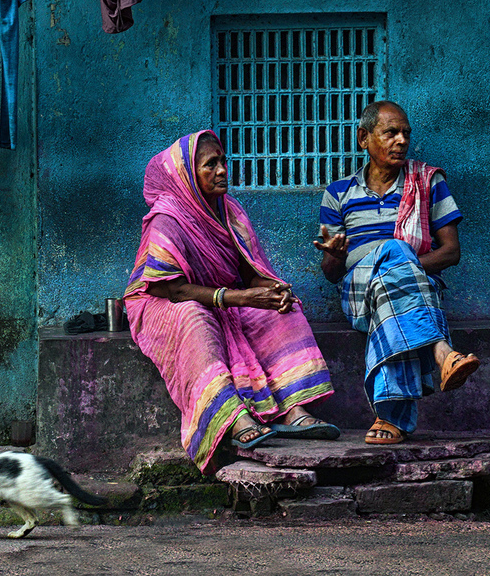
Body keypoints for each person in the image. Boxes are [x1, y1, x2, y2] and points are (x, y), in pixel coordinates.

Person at [123, 131, 339, 474]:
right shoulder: (168, 218)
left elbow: (248, 273)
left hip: (223, 297)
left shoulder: (230, 211)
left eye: (223, 161)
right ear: (187, 175)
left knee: (283, 310)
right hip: (167, 302)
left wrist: (272, 291)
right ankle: (233, 418)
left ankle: (293, 409)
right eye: (211, 165)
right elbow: (174, 289)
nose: (222, 170)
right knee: (194, 318)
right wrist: (238, 297)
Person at [314, 100, 478, 445]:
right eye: (390, 133)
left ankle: (390, 418)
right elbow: (330, 273)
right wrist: (335, 256)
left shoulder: (428, 182)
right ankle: (441, 351)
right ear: (364, 138)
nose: (401, 141)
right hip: (357, 292)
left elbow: (451, 251)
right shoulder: (338, 193)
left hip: (405, 290)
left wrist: (396, 266)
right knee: (396, 250)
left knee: (391, 283)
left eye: (405, 133)